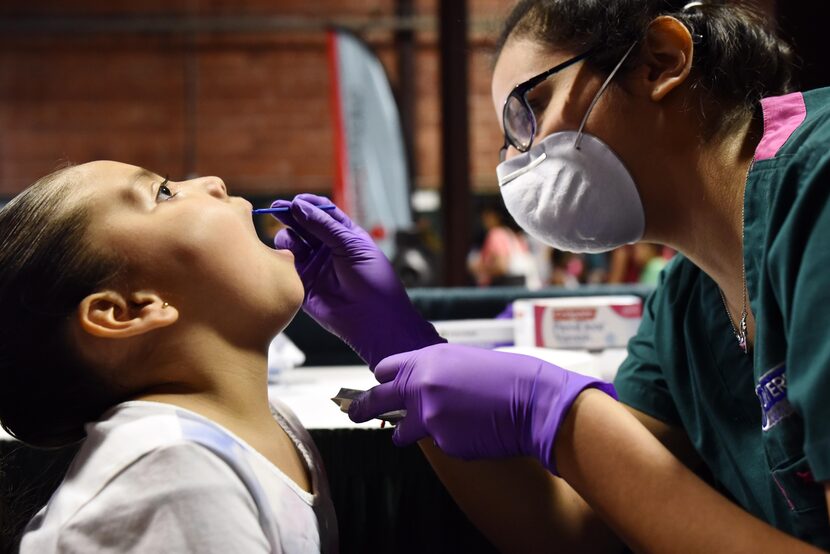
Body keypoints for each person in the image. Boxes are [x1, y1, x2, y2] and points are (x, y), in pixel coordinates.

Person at [272, 0, 830, 551]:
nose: (521, 161)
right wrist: (401, 346)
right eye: (512, 137)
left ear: (660, 62)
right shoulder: (686, 306)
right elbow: (587, 524)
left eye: (530, 108)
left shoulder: (818, 187)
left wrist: (558, 417)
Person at [0, 161, 342, 552]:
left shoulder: (270, 424)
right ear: (129, 310)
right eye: (164, 193)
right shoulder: (174, 473)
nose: (215, 182)